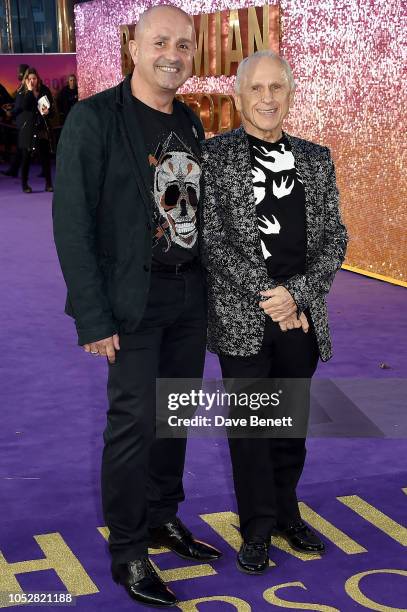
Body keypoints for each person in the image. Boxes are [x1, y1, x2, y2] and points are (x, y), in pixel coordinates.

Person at [53, 5, 221, 608]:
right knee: (132, 426)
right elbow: (72, 226)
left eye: (183, 44)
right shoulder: (95, 120)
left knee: (173, 417)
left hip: (188, 296)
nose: (171, 54)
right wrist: (93, 319)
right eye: (159, 42)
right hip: (131, 301)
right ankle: (128, 549)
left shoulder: (192, 121)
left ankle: (161, 516)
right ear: (133, 47)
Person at [201, 50, 348, 575]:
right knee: (251, 430)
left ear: (290, 94)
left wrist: (299, 295)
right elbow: (213, 245)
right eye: (256, 89)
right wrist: (273, 296)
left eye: (276, 88)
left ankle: (287, 512)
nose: (267, 99)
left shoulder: (315, 158)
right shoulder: (213, 158)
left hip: (301, 319)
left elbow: (335, 241)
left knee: (289, 426)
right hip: (245, 317)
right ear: (238, 96)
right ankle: (257, 526)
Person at [14, 68, 54, 193]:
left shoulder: (44, 90)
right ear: (26, 80)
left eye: (34, 78)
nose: (32, 81)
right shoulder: (21, 93)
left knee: (45, 158)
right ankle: (24, 185)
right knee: (26, 158)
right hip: (28, 129)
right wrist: (30, 92)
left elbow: (51, 111)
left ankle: (48, 184)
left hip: (41, 128)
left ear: (38, 79)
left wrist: (48, 112)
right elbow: (24, 107)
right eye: (30, 79)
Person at [1, 64, 28, 176]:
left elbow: (21, 105)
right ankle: (14, 170)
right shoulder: (21, 87)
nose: (17, 74)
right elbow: (17, 103)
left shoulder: (25, 87)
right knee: (20, 148)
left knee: (24, 149)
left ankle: (19, 174)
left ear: (23, 73)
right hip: (21, 122)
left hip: (25, 122)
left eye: (18, 72)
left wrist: (10, 112)